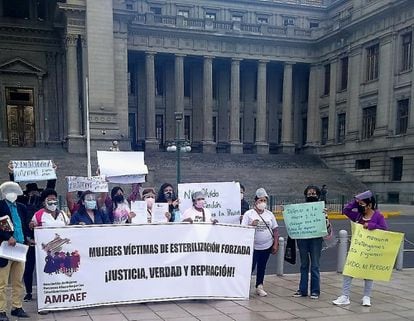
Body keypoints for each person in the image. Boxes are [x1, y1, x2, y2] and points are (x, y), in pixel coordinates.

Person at [333, 190, 387, 307]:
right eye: (359, 204)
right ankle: (345, 296)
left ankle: (366, 296)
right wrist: (355, 201)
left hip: (371, 249)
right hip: (357, 249)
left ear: (370, 205)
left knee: (368, 273)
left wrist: (372, 226)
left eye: (363, 204)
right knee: (348, 271)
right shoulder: (358, 216)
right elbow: (346, 211)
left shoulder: (378, 216)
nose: (360, 206)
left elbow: (384, 230)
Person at [23, 189, 69, 303]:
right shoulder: (38, 215)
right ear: (44, 202)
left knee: (60, 270)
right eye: (50, 199)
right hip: (45, 251)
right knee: (46, 272)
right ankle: (43, 295)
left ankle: (61, 292)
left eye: (54, 199)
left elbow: (69, 227)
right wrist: (32, 225)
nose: (53, 202)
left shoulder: (62, 214)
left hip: (60, 249)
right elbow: (31, 228)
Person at [293, 185, 331, 299]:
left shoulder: (321, 210)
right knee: (304, 265)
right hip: (303, 240)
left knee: (315, 265)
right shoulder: (300, 209)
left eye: (313, 194)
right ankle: (302, 290)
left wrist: (325, 216)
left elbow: (327, 228)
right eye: (309, 194)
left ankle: (315, 291)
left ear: (318, 195)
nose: (311, 195)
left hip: (316, 240)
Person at [0, 181, 30, 320]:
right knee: (2, 282)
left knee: (18, 281)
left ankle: (17, 307)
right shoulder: (0, 207)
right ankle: (1, 310)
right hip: (4, 249)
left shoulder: (22, 207)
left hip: (19, 248)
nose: (12, 194)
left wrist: (28, 237)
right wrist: (7, 237)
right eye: (8, 191)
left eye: (14, 191)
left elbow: (23, 225)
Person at [241, 188, 278, 297]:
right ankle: (244, 287)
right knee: (250, 267)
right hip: (253, 246)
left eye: (264, 201)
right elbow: (242, 230)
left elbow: (275, 230)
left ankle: (259, 286)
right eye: (260, 201)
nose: (262, 203)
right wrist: (251, 225)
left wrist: (275, 243)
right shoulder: (249, 214)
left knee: (262, 266)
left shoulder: (269, 214)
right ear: (255, 201)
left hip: (266, 245)